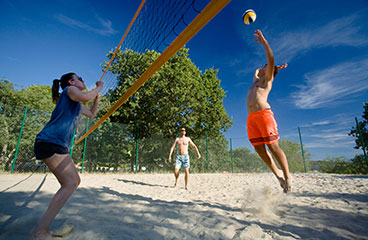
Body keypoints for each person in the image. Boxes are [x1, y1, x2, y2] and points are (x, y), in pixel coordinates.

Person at [30, 73, 103, 239]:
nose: (83, 81)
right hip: (50, 141)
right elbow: (85, 98)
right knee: (70, 183)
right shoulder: (70, 90)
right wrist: (98, 87)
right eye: (80, 78)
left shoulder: (75, 104)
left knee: (74, 182)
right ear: (71, 82)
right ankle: (40, 230)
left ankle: (42, 228)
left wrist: (97, 97)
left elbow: (91, 113)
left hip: (57, 144)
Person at [246, 29, 291, 193]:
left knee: (273, 147)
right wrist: (261, 69)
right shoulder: (257, 81)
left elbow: (270, 59)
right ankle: (278, 177)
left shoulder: (268, 80)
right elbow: (256, 72)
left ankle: (287, 177)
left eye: (266, 67)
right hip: (251, 118)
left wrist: (264, 42)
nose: (263, 67)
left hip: (264, 115)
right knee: (259, 149)